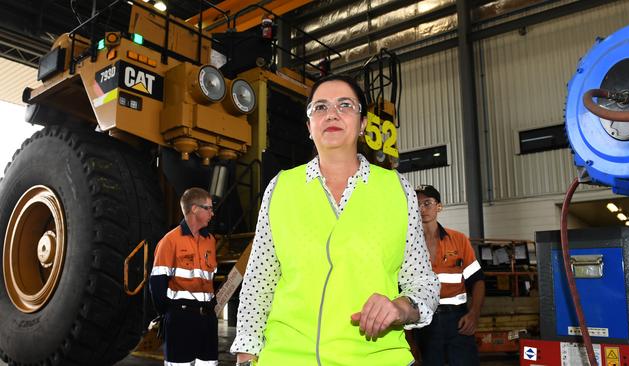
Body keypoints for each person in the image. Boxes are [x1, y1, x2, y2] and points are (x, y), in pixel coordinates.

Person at [231, 74, 440, 366]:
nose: (331, 113)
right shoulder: (281, 188)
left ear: (363, 124)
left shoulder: (397, 190)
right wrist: (246, 354)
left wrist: (401, 307)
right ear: (308, 126)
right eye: (320, 107)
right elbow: (258, 282)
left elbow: (423, 282)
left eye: (345, 105)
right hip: (286, 358)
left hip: (375, 359)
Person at [412, 185, 485, 366]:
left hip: (457, 321)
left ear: (439, 206)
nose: (422, 209)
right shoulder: (408, 244)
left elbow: (477, 281)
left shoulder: (458, 240)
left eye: (427, 203)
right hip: (423, 321)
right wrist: (409, 338)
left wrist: (474, 314)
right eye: (417, 204)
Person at [150, 187, 219, 366]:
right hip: (181, 320)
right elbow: (157, 284)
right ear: (194, 209)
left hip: (208, 320)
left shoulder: (210, 241)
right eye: (208, 208)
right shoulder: (170, 241)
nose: (212, 212)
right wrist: (170, 314)